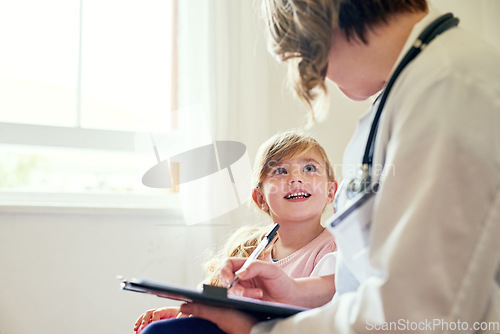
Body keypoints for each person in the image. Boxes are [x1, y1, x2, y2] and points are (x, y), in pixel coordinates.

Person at [179, 0, 500, 333]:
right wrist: (295, 291)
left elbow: (416, 312)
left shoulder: (451, 88)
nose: (317, 73)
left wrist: (255, 331)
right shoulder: (413, 88)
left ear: (315, 27)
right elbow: (365, 283)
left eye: (303, 56)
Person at [134, 130, 338, 333]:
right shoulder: (252, 249)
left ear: (331, 192)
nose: (295, 178)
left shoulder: (335, 248)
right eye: (280, 171)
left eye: (309, 168)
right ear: (261, 199)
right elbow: (227, 308)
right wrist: (187, 312)